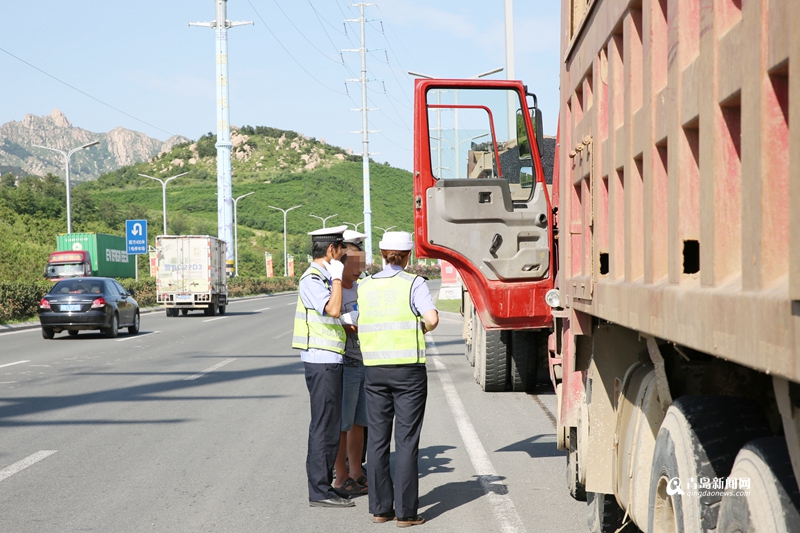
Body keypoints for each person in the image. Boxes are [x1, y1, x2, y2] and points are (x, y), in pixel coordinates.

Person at [358, 231, 439, 527]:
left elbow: (356, 319)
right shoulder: (414, 283)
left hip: (374, 371)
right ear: (407, 257)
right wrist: (421, 328)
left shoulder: (364, 285)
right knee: (405, 440)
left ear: (381, 253)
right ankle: (406, 514)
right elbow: (431, 319)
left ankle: (380, 509)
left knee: (377, 440)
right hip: (408, 372)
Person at [291, 225, 355, 509]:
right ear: (332, 250)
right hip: (321, 360)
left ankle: (325, 486)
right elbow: (331, 309)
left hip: (330, 357)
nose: (344, 258)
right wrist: (339, 280)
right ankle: (318, 490)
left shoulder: (323, 276)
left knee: (330, 426)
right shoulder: (313, 278)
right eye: (342, 251)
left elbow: (335, 314)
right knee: (323, 426)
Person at [332, 230, 369, 496]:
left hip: (365, 361)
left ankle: (356, 471)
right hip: (344, 363)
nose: (359, 270)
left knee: (359, 423)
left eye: (361, 265)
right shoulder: (332, 291)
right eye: (354, 265)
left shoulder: (363, 289)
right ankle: (340, 475)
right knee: (342, 424)